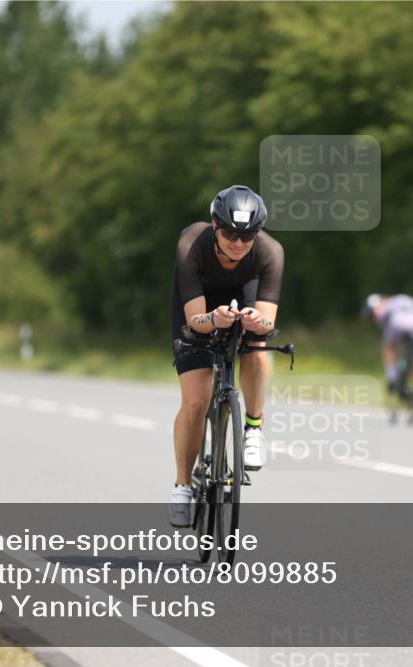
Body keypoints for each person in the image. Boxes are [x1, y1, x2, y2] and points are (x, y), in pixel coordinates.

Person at [168, 185, 284, 527]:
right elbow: (194, 320)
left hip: (242, 292)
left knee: (258, 351)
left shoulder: (270, 252)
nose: (238, 242)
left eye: (247, 235)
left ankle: (253, 428)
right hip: (197, 302)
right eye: (230, 232)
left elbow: (267, 321)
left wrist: (253, 321)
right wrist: (213, 320)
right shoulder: (191, 244)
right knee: (196, 400)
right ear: (214, 226)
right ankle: (183, 485)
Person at [363, 293, 413, 408]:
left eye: (372, 315)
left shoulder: (384, 307)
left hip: (399, 323)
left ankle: (392, 377)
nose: (373, 318)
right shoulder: (402, 299)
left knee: (389, 347)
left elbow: (382, 321)